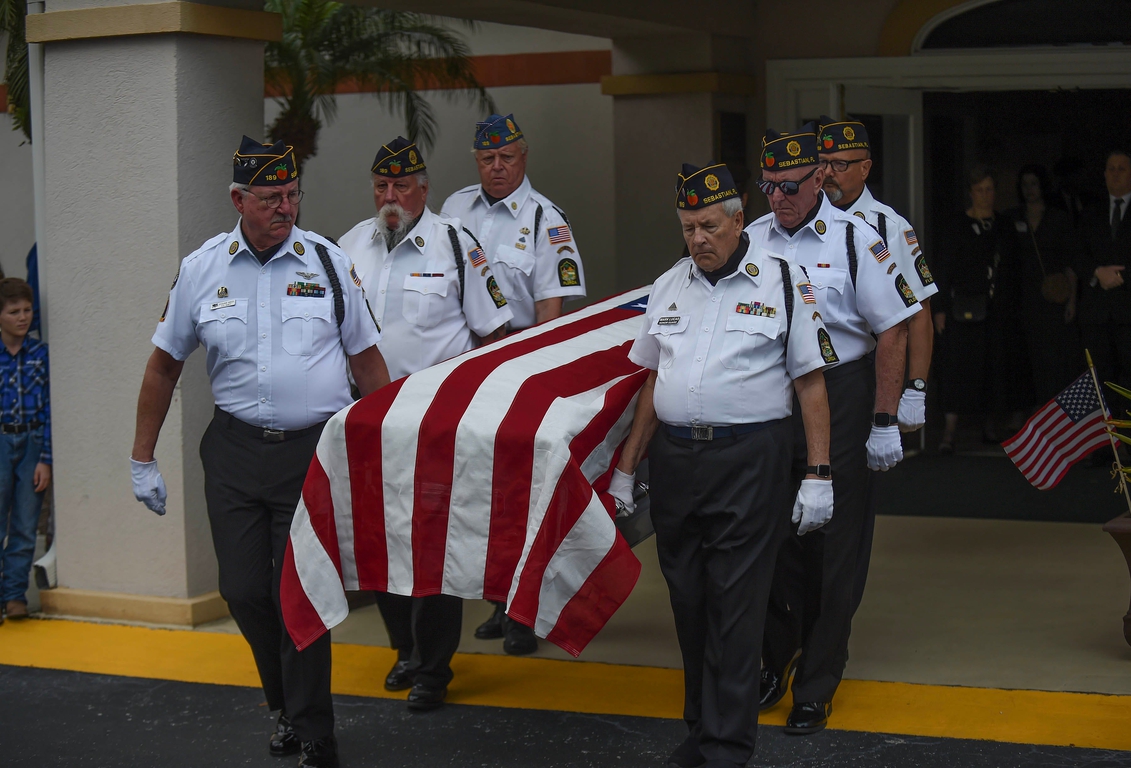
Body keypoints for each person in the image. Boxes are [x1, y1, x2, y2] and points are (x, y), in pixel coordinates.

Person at [130, 137, 388, 768]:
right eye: (271, 197)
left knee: (297, 592)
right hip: (236, 452)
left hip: (313, 453)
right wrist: (142, 457)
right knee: (243, 590)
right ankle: (283, 704)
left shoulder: (327, 263)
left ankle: (313, 729)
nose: (286, 207)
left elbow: (368, 360)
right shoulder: (201, 270)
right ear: (238, 199)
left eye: (293, 194)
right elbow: (164, 367)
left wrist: (384, 447)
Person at [610, 162, 834, 768]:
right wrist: (629, 465)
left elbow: (811, 384)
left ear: (739, 220)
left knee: (736, 606)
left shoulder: (783, 282)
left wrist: (818, 474)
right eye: (687, 228)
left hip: (749, 459)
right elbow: (654, 380)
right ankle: (700, 731)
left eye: (708, 225)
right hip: (678, 460)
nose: (697, 239)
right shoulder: (669, 285)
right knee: (689, 600)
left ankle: (729, 747)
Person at [752, 124, 918, 736]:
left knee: (834, 544)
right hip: (773, 397)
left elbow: (894, 328)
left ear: (820, 177)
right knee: (772, 537)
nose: (779, 199)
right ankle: (777, 656)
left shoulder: (858, 240)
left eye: (790, 186)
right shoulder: (751, 240)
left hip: (843, 393)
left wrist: (885, 418)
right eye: (769, 187)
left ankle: (818, 680)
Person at [339, 136, 513, 711]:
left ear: (424, 189)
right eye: (381, 187)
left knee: (436, 547)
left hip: (437, 422)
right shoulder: (348, 247)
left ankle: (435, 669)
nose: (391, 197)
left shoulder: (456, 245)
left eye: (402, 187)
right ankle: (405, 650)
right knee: (380, 542)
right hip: (369, 422)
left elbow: (495, 337)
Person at [441, 113, 585, 654]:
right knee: (484, 492)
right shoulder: (455, 209)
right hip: (469, 365)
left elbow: (554, 308)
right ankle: (500, 598)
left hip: (524, 365)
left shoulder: (547, 219)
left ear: (524, 157)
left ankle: (530, 609)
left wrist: (539, 376)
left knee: (528, 493)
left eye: (506, 158)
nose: (496, 168)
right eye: (486, 159)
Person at [816, 116, 937, 435]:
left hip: (866, 371)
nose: (828, 173)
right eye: (823, 163)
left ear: (865, 168)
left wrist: (916, 388)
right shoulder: (804, 222)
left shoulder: (889, 227)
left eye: (840, 164)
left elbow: (919, 312)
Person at [932, 164, 1019, 451]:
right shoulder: (957, 225)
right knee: (957, 369)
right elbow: (943, 268)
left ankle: (989, 425)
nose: (985, 195)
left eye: (989, 189)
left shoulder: (1004, 226)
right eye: (980, 190)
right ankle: (949, 431)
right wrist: (940, 307)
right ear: (971, 193)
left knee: (993, 368)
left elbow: (1014, 268)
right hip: (962, 308)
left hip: (996, 309)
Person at [0, 278, 51, 624]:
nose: (23, 317)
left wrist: (45, 459)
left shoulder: (41, 354)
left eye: (27, 310)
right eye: (14, 311)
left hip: (31, 442)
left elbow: (50, 409)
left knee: (24, 523)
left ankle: (14, 596)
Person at [1007, 164, 1081, 403]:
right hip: (1023, 297)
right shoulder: (1013, 218)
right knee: (1024, 358)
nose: (1030, 189)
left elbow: (1070, 262)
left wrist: (1072, 300)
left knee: (1053, 358)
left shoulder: (1058, 218)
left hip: (1052, 297)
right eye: (1025, 184)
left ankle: (1054, 409)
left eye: (1034, 184)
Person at [1077, 150, 1131, 398]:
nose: (1115, 174)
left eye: (1122, 168)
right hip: (1097, 313)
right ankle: (1106, 435)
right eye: (1111, 168)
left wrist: (1120, 277)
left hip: (1127, 310)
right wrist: (1097, 272)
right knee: (1099, 380)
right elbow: (1076, 252)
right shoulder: (1091, 212)